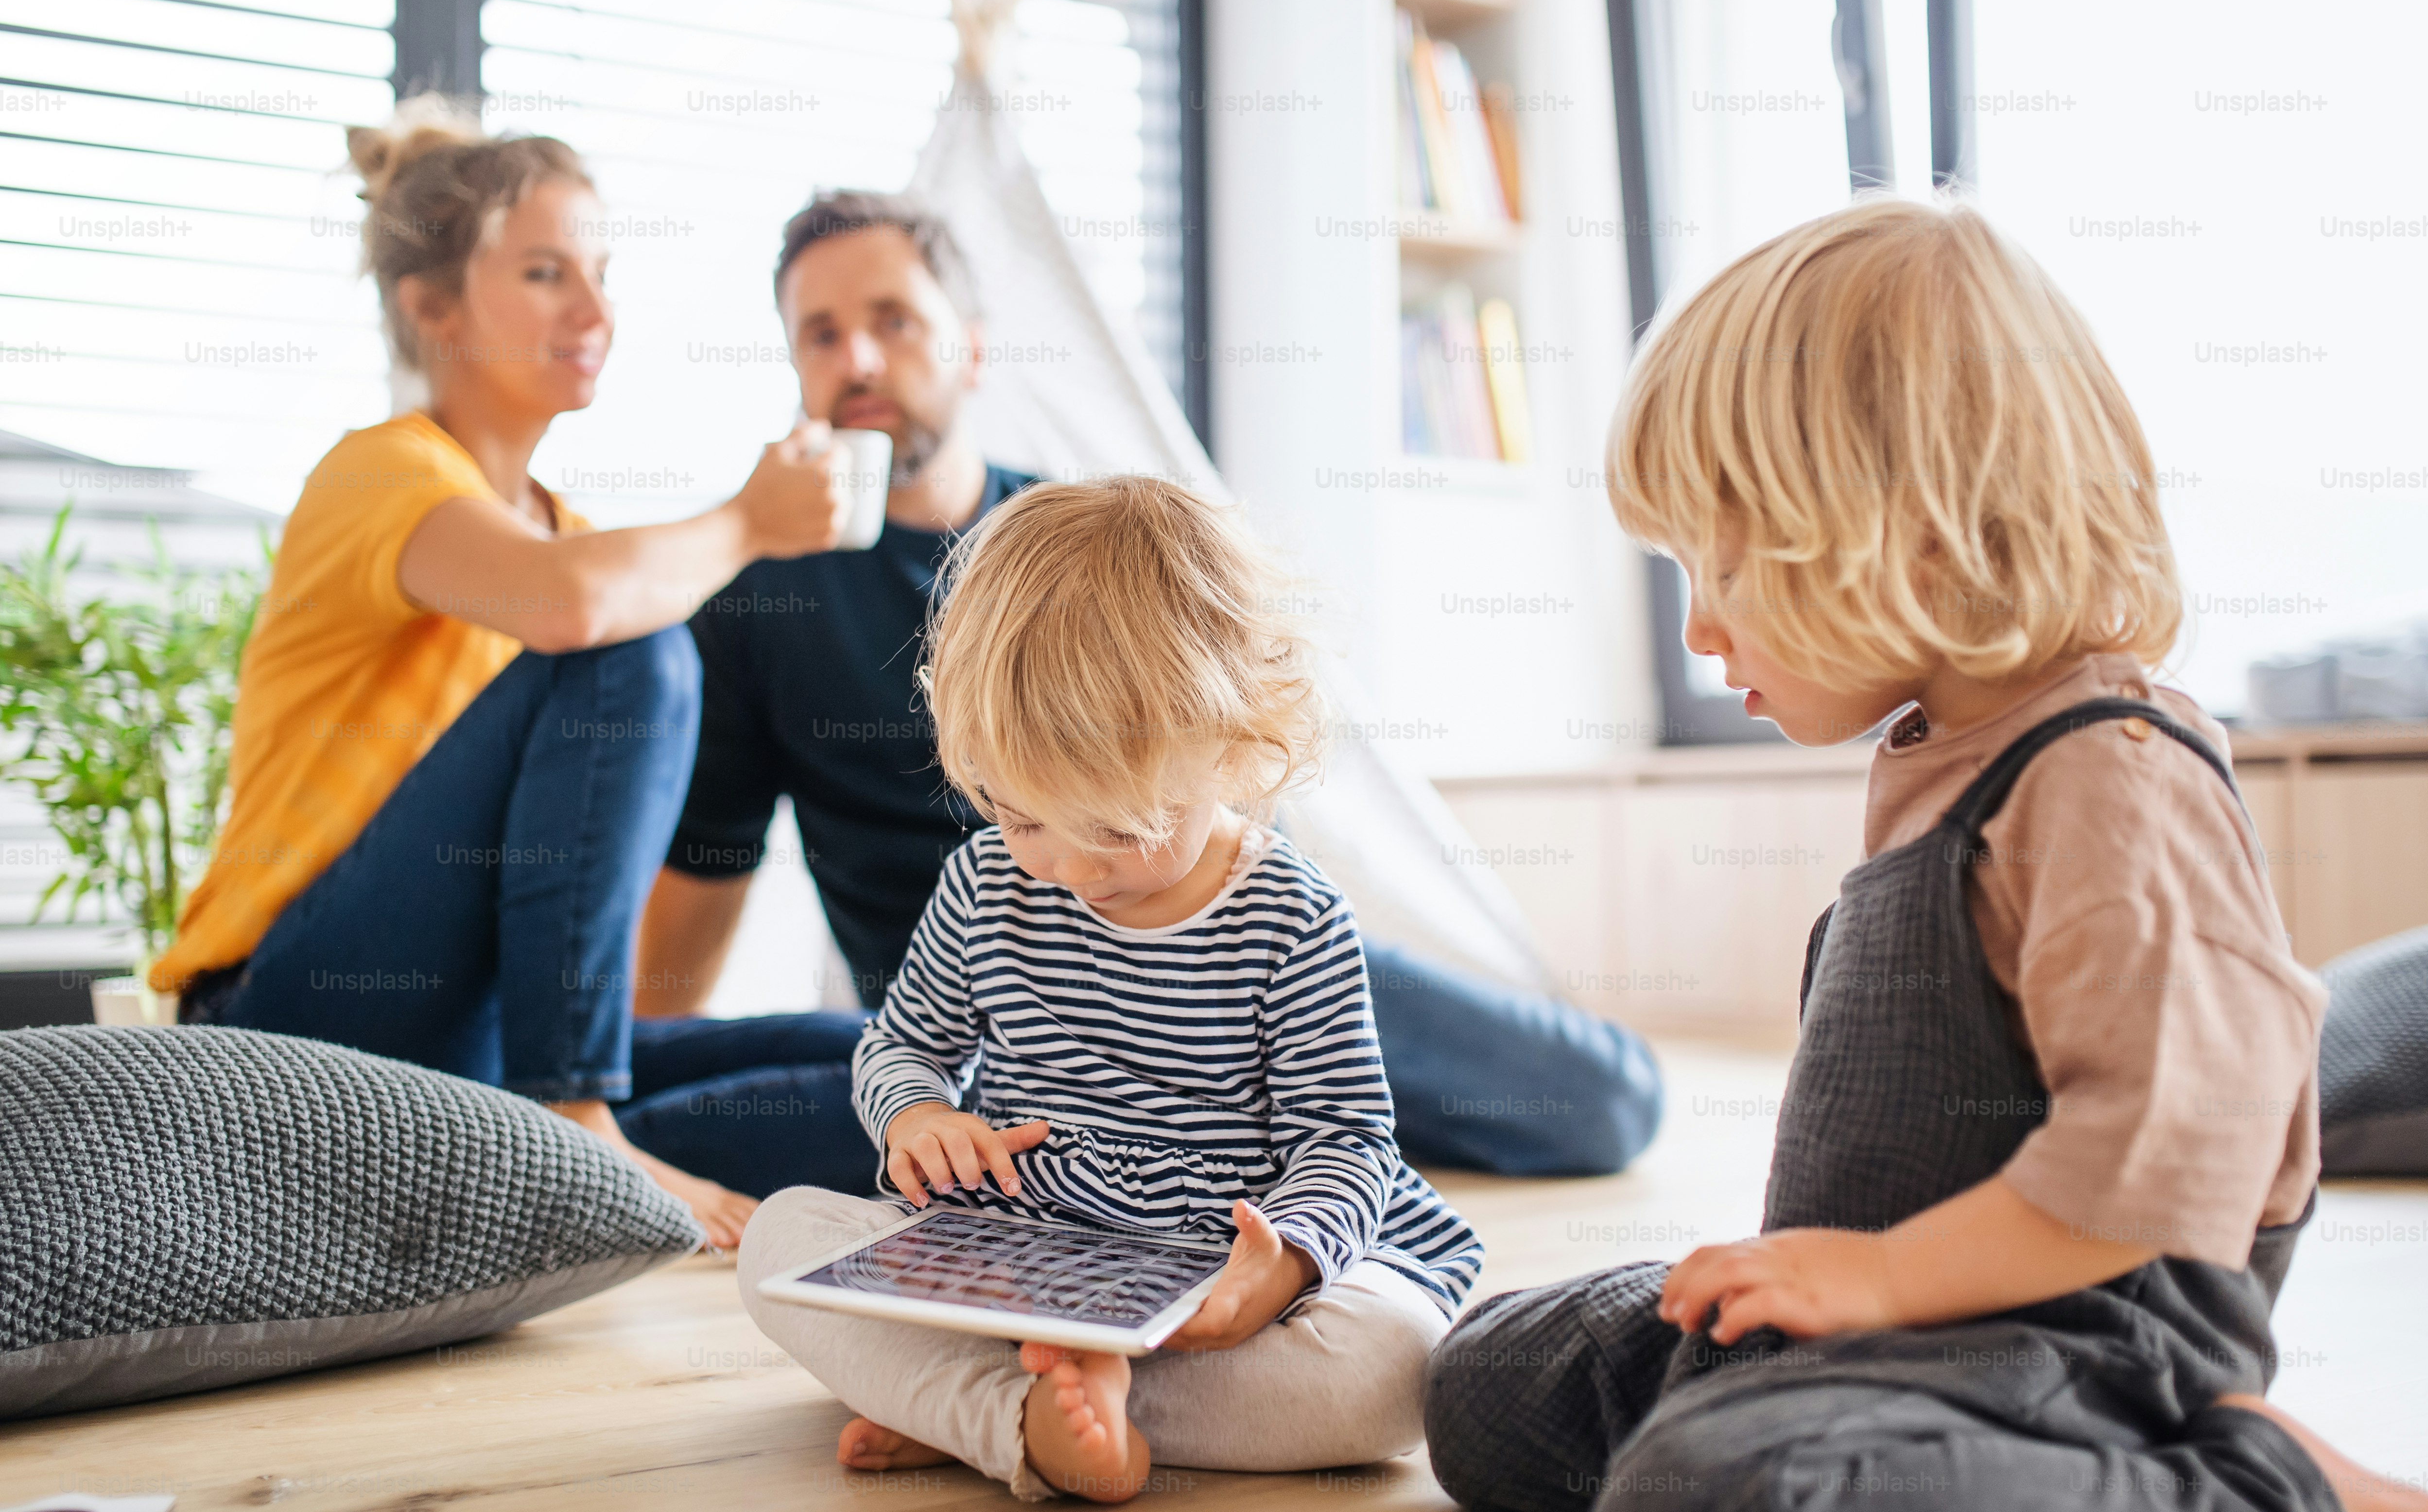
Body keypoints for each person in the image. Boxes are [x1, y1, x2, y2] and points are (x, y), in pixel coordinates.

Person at [1419, 199, 2428, 1512]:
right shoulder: (1947, 752)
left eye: (1729, 564)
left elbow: (2170, 1167)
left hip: (2071, 1340)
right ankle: (1794, 1412)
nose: (1698, 626)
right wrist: (1830, 1288)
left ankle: (2276, 1507)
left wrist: (1872, 1283)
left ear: (1910, 536)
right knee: (1482, 1389)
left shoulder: (2110, 779)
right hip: (1901, 1314)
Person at [634, 190, 1664, 1184]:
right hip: (990, 1030)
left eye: (893, 320)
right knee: (636, 1108)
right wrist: (623, 1044)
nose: (857, 357)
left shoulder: (1084, 540)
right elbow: (703, 866)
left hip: (1210, 979)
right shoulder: (755, 597)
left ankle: (1266, 1132)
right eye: (819, 334)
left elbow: (1220, 767)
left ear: (973, 346)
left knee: (1602, 1096)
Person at [154, 102, 881, 1248]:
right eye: (547, 273)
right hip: (292, 1010)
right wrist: (749, 521)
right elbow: (578, 603)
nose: (594, 312)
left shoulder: (564, 535)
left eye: (601, 273)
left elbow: (584, 593)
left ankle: (565, 1134)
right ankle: (574, 1111)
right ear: (431, 308)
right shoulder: (380, 472)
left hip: (466, 1042)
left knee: (890, 1069)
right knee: (632, 642)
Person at [737, 475, 1481, 1503]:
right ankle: (1026, 1411)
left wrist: (1288, 1264)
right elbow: (897, 1043)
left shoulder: (1291, 917)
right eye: (1026, 817)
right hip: (1020, 1247)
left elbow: (1346, 1139)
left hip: (1212, 1268)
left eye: (1122, 829)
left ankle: (980, 1411)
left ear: (1238, 745)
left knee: (1398, 1364)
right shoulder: (985, 880)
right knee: (782, 1235)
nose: (1075, 872)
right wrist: (915, 1113)